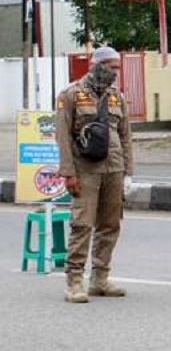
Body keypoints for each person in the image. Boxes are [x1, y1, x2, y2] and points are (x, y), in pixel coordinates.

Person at [55, 46, 133, 304]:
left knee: (110, 225)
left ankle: (100, 279)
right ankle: (74, 282)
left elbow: (125, 136)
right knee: (82, 225)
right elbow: (63, 137)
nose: (115, 73)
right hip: (85, 170)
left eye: (118, 68)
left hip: (114, 168)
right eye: (112, 67)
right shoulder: (71, 95)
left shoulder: (116, 97)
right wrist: (68, 173)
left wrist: (128, 172)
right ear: (97, 65)